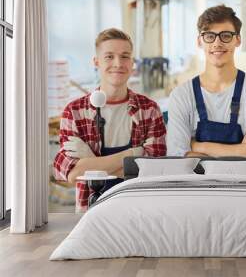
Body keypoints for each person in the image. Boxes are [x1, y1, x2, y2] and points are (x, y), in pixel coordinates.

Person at [53, 28, 167, 212]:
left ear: (132, 63)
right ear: (96, 62)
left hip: (141, 210)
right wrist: (133, 155)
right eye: (109, 56)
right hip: (91, 213)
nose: (118, 63)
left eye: (124, 56)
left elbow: (155, 170)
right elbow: (71, 173)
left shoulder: (149, 110)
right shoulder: (75, 112)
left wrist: (89, 161)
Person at [167, 5, 246, 157]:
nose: (217, 44)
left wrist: (197, 146)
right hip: (195, 181)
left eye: (225, 36)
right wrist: (242, 149)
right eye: (210, 36)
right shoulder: (181, 95)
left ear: (238, 40)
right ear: (199, 41)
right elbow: (178, 156)